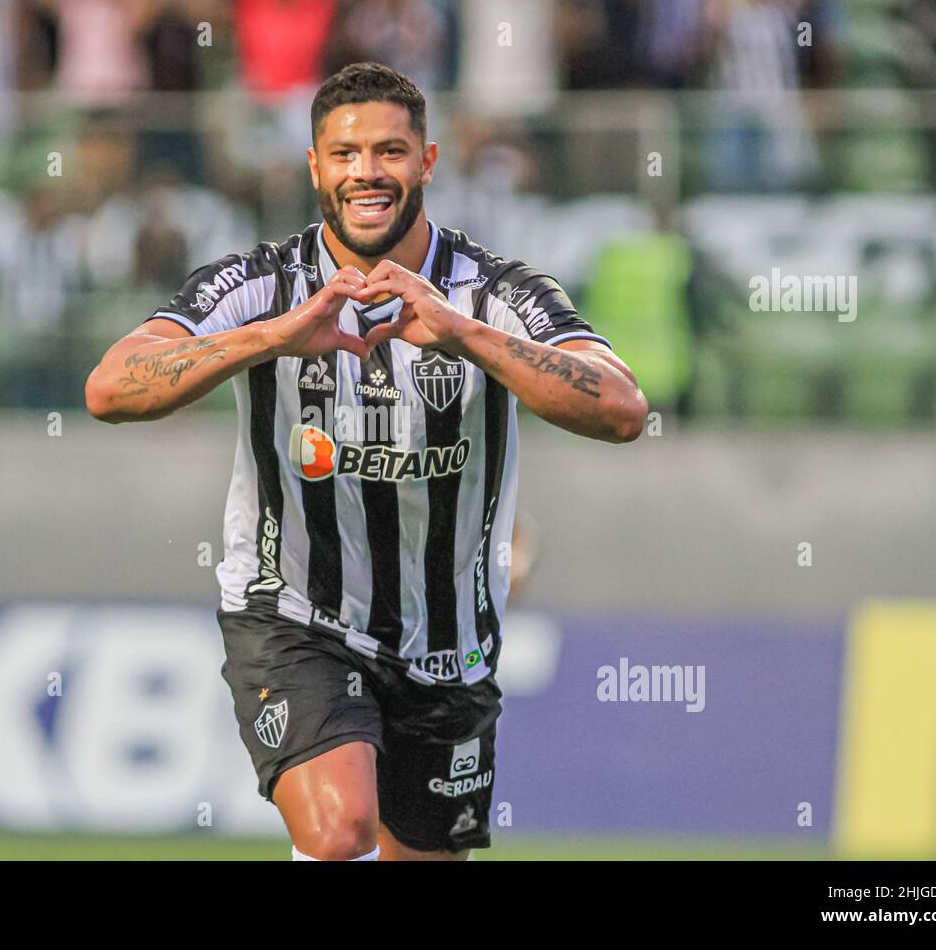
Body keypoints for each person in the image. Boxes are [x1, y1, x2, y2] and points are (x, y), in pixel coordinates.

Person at [85, 63, 646, 860]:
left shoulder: (492, 293)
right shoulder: (261, 284)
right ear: (315, 167)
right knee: (341, 829)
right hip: (293, 614)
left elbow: (622, 409)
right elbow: (110, 387)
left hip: (447, 639)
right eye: (345, 154)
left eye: (389, 151)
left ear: (427, 163)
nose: (366, 172)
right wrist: (272, 338)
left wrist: (465, 336)